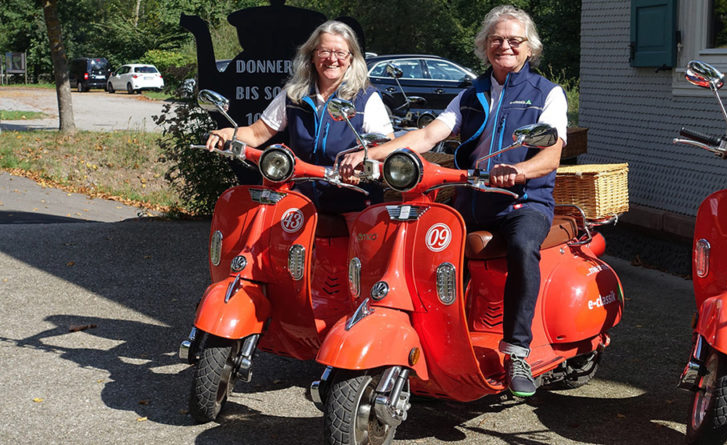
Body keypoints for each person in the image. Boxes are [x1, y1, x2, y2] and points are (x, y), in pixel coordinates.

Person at [340, 5, 567, 397]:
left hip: (522, 201)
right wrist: (372, 154)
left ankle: (517, 352)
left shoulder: (547, 93)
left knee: (523, 246)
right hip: (472, 198)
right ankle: (435, 334)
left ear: (530, 48)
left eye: (515, 40)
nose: (505, 46)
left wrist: (521, 171)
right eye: (497, 39)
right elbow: (429, 136)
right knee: (427, 244)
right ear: (484, 46)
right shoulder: (470, 94)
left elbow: (552, 154)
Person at [206, 20, 393, 219]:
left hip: (352, 198)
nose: (332, 59)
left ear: (351, 59)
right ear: (312, 55)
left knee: (359, 245)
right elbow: (256, 133)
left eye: (340, 53)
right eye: (324, 51)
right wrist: (227, 133)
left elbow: (387, 145)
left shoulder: (365, 98)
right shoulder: (294, 95)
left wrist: (361, 164)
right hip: (301, 197)